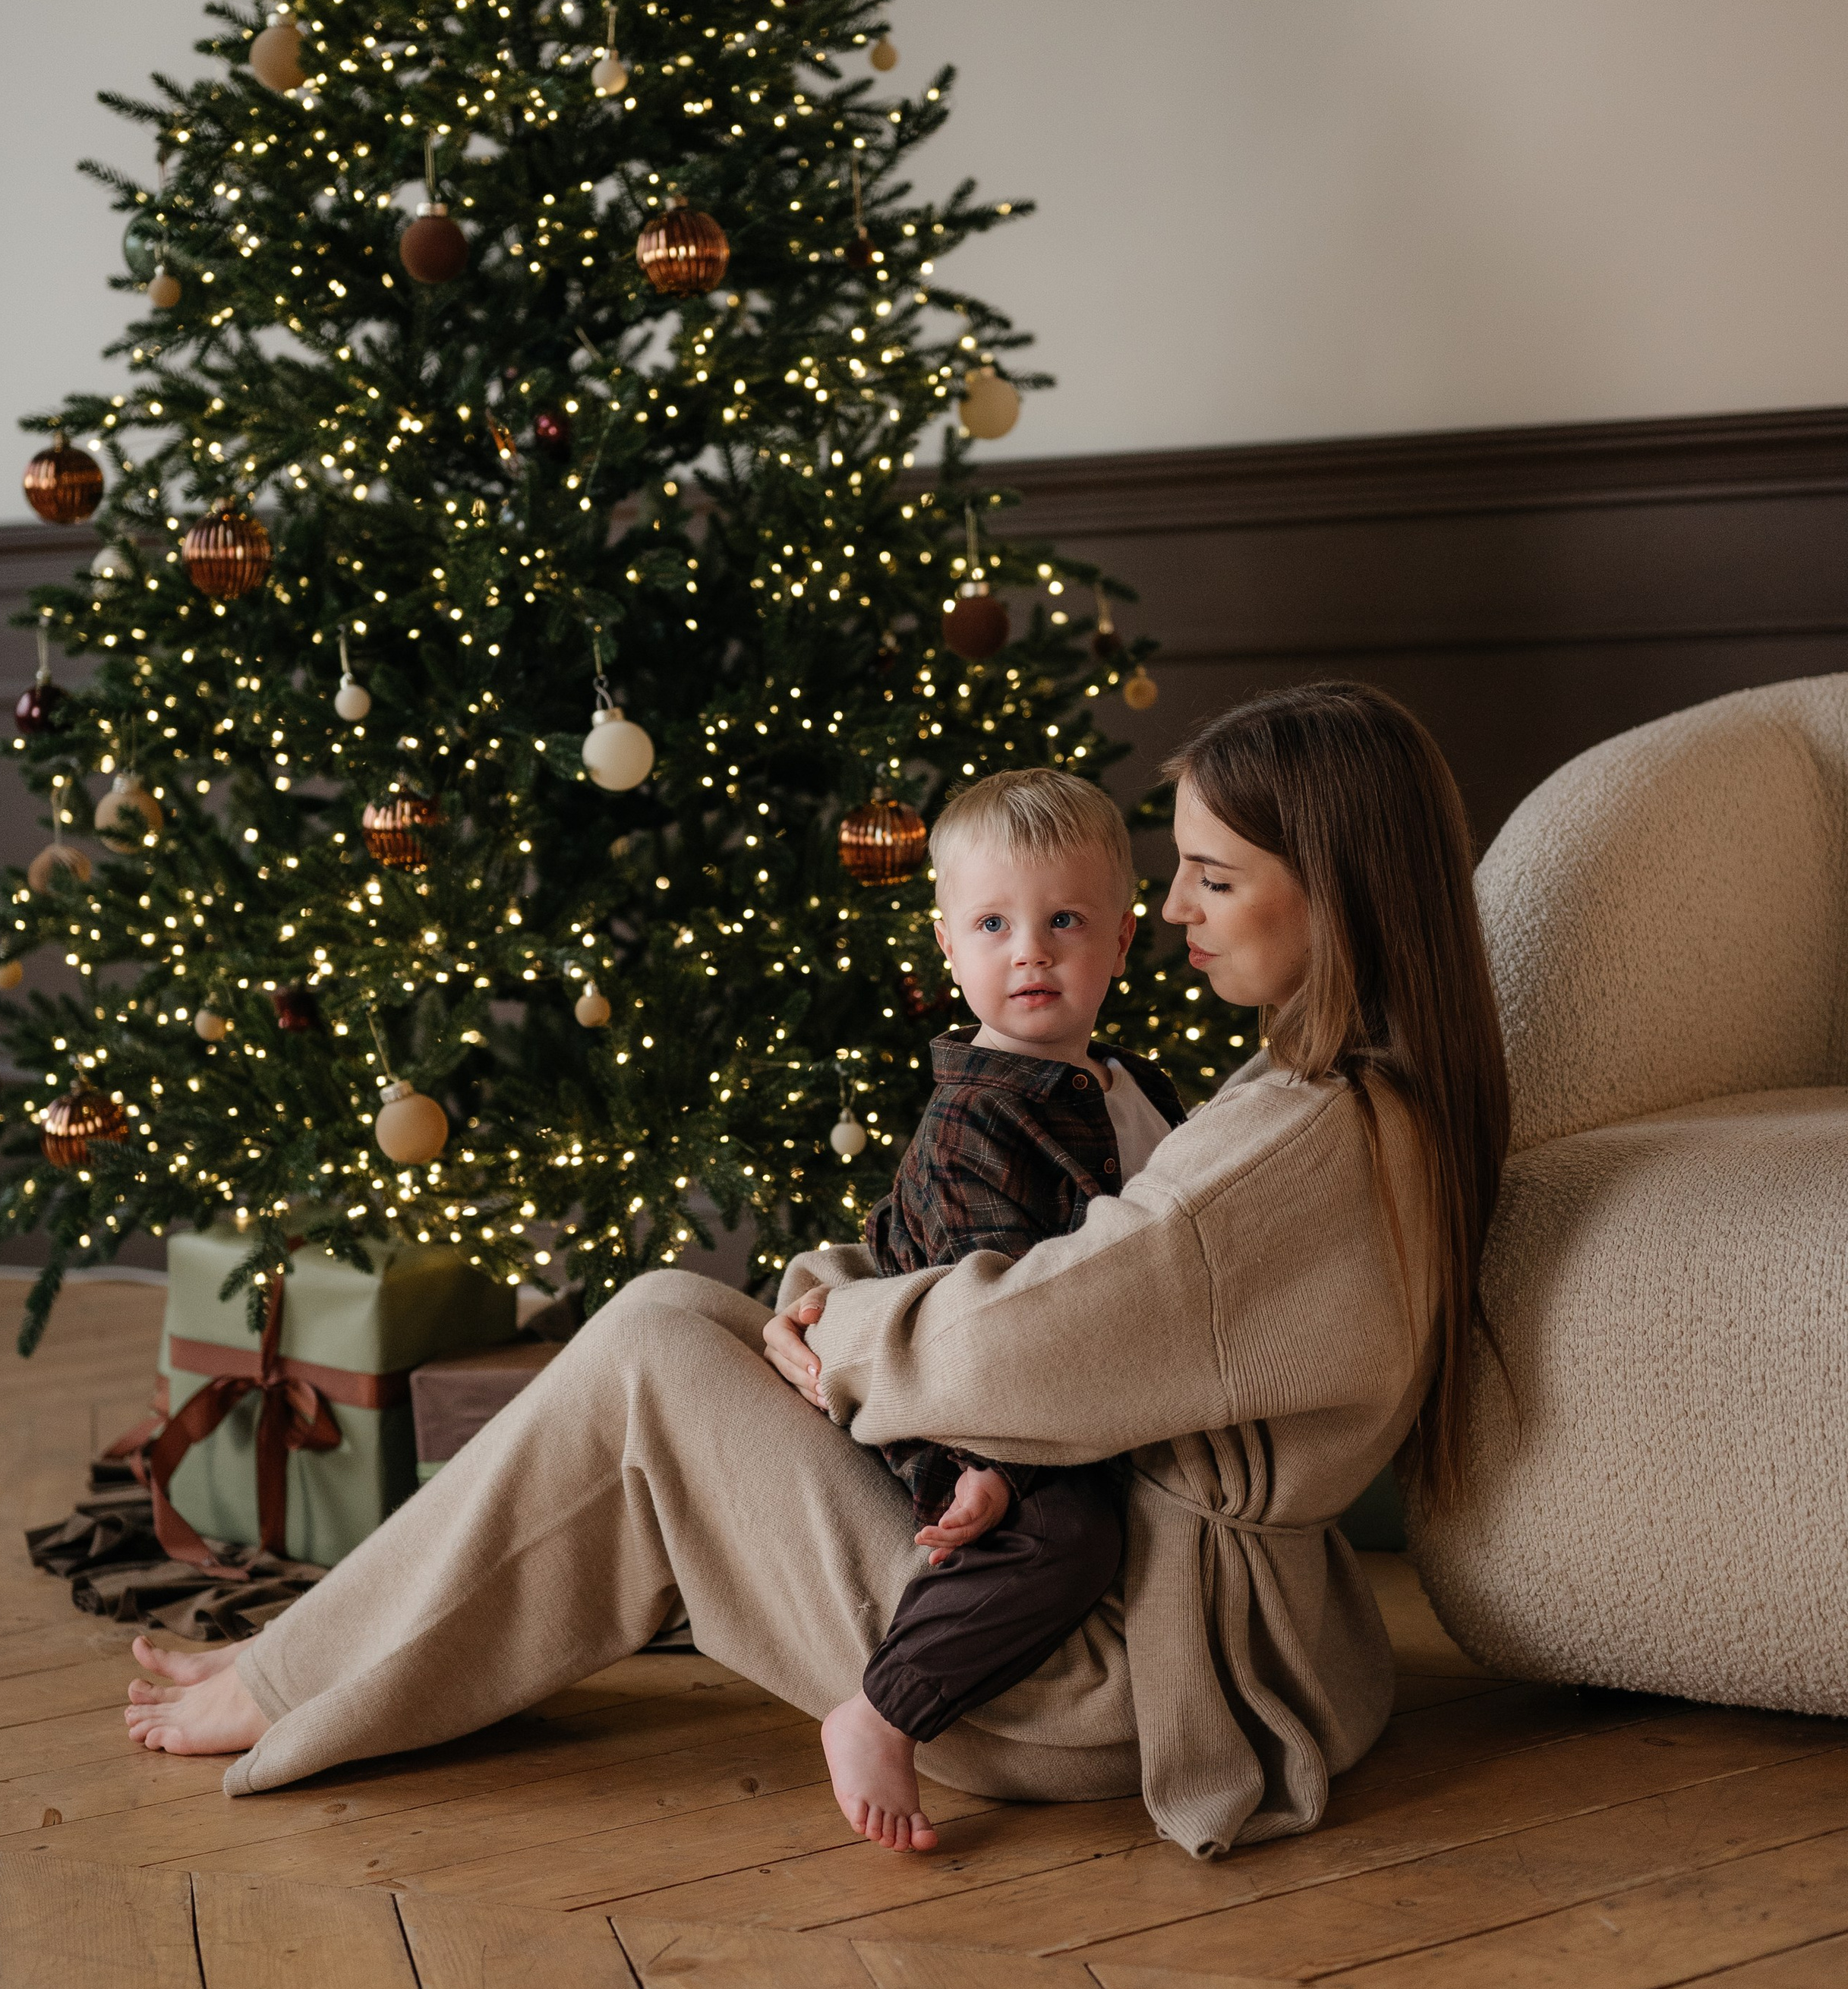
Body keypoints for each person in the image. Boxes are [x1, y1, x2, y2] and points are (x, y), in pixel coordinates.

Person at [123, 682, 1509, 1873]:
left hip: (1102, 1666)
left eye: (1214, 875)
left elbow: (1029, 1346)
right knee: (673, 1316)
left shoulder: (1297, 1143)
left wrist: (838, 1333)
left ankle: (295, 1676)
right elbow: (1079, 1272)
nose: (1175, 907)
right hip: (1177, 1614)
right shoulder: (1349, 1097)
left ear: (1333, 886)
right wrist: (823, 1306)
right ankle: (318, 1661)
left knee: (656, 1362)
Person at [823, 768, 1186, 1849]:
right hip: (962, 1399)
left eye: (1064, 920)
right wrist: (998, 1466)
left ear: (1122, 941)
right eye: (993, 923)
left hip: (1087, 1384)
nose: (1030, 949)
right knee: (1064, 1538)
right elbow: (987, 1326)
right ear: (949, 946)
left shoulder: (1135, 1086)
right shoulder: (972, 1121)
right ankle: (883, 1710)